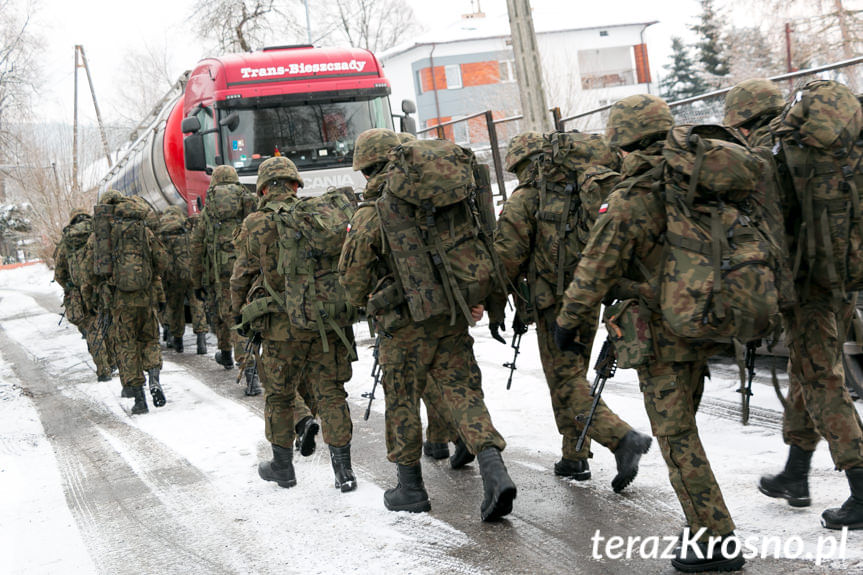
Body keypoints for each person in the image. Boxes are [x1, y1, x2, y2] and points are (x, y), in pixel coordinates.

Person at [554, 95, 744, 571]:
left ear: (623, 142)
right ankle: (702, 515)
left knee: (676, 435)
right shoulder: (701, 177)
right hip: (710, 317)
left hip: (662, 333)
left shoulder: (632, 197)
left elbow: (594, 271)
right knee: (685, 424)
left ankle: (714, 537)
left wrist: (566, 322)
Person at [339, 128, 516, 520]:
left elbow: (351, 285)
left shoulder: (371, 214)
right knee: (464, 394)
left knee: (401, 401)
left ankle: (410, 487)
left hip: (402, 330)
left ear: (367, 169)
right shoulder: (446, 200)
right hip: (451, 318)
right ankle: (494, 468)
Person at [725, 78, 863, 530]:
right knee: (809, 370)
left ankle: (861, 488)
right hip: (841, 272)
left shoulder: (769, 152)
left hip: (806, 286)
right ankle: (796, 475)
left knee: (821, 377)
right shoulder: (818, 144)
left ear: (744, 123)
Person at [494, 130, 652, 490]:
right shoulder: (575, 189)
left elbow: (506, 258)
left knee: (564, 383)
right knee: (574, 375)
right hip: (587, 294)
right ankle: (574, 456)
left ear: (521, 165)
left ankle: (622, 439)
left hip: (553, 305)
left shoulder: (526, 198)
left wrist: (498, 301)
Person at [231, 157, 356, 491]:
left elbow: (241, 274)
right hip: (326, 320)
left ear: (262, 189)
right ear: (295, 185)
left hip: (281, 327)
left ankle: (283, 468)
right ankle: (343, 472)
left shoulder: (255, 223)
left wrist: (236, 314)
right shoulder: (319, 216)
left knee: (280, 396)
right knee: (331, 392)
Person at [82, 190, 169, 415]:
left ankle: (139, 398)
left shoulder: (102, 235)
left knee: (126, 345)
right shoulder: (142, 228)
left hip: (118, 301)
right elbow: (162, 260)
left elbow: (89, 273)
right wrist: (148, 276)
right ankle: (154, 379)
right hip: (146, 296)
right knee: (149, 339)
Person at [191, 165, 256, 374]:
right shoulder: (247, 198)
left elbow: (197, 246)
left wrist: (197, 280)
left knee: (227, 314)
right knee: (247, 312)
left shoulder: (209, 207)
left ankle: (235, 359)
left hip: (220, 271)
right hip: (248, 266)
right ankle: (248, 358)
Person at [53, 208, 114, 382]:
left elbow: (59, 273)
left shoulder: (67, 239)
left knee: (92, 328)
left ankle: (103, 369)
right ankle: (113, 360)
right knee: (108, 323)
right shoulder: (98, 232)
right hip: (100, 287)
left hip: (79, 292)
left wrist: (70, 286)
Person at [157, 206, 209, 355]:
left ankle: (178, 342)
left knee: (175, 307)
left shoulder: (162, 231)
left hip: (173, 276)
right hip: (191, 272)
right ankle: (201, 341)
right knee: (197, 303)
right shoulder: (187, 226)